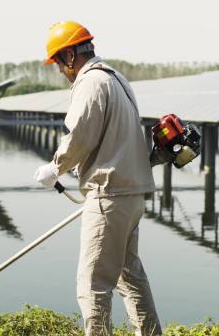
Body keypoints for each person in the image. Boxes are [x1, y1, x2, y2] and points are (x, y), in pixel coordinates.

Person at [33, 20, 162, 336]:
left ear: (71, 55)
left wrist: (56, 167)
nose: (61, 70)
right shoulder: (116, 78)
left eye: (60, 63)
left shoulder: (91, 82)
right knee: (129, 275)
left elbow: (81, 134)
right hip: (131, 194)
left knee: (92, 283)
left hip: (109, 196)